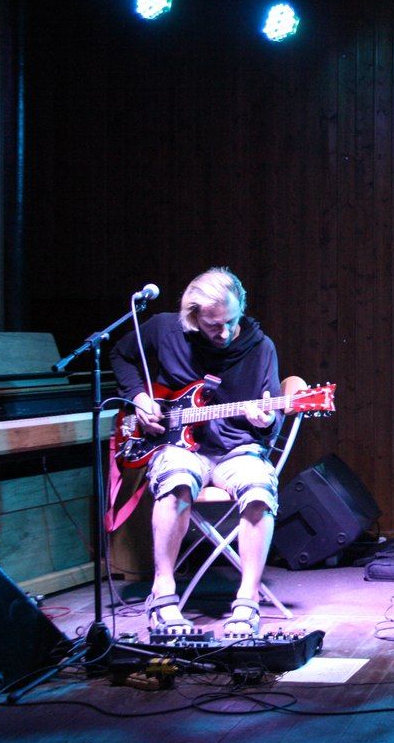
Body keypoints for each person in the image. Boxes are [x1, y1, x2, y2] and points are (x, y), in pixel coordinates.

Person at [110, 267, 283, 638]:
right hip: (177, 444)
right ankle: (163, 594)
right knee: (175, 481)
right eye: (212, 325)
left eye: (231, 322)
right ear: (192, 317)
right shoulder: (164, 329)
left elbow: (274, 420)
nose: (224, 333)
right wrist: (139, 398)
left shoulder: (260, 348)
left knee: (259, 490)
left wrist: (267, 419)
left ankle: (248, 600)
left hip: (237, 448)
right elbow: (120, 355)